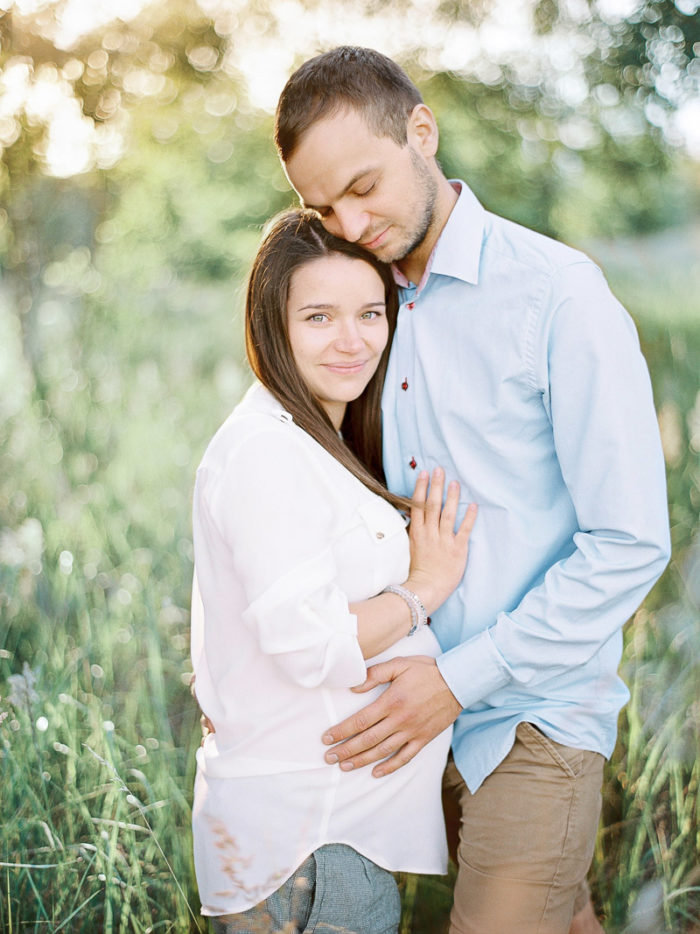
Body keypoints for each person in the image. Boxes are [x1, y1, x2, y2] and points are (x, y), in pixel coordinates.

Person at [274, 47, 671, 934]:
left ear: (423, 131)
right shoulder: (355, 303)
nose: (348, 220)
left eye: (364, 186)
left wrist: (459, 681)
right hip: (402, 716)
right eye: (322, 206)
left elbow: (633, 544)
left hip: (531, 716)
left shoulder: (559, 299)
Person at [190, 208, 478, 932]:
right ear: (272, 325)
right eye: (319, 317)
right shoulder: (267, 451)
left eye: (370, 313)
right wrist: (424, 592)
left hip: (328, 837)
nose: (354, 340)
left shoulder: (308, 438)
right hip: (311, 847)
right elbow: (309, 642)